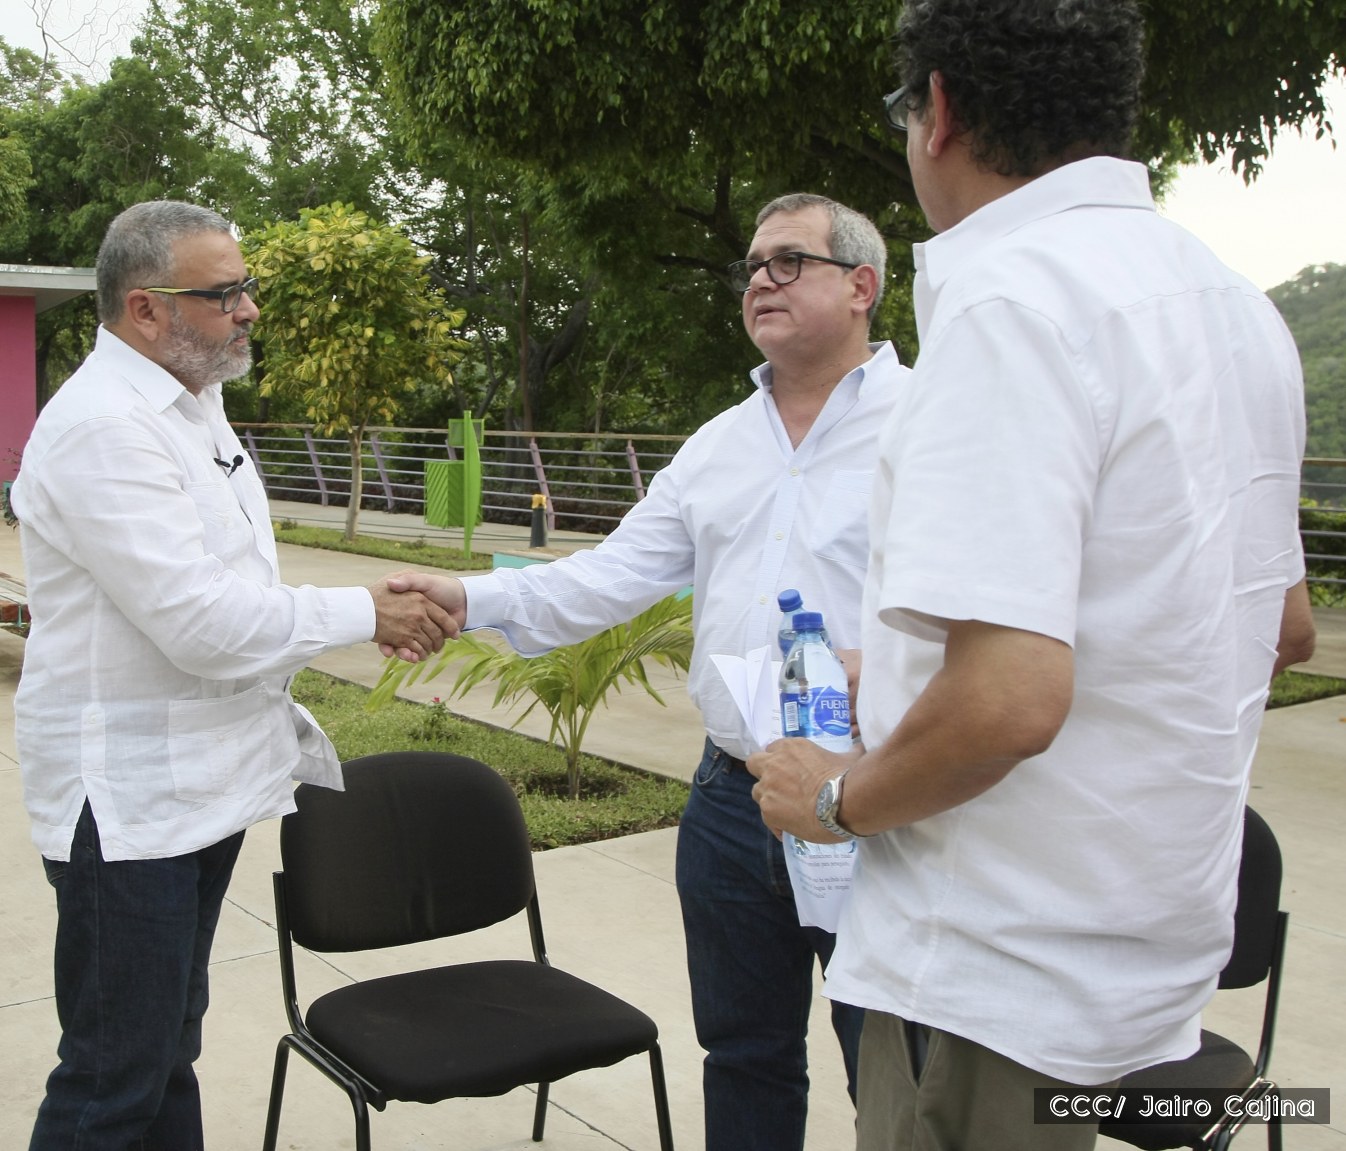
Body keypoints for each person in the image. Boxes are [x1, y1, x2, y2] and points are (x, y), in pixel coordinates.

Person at [747, 4, 1315, 1150]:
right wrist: (905, 681)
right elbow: (1278, 625)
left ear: (937, 110)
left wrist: (832, 798)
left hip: (989, 974)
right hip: (1145, 955)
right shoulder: (1233, 306)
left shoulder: (1007, 304)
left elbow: (1007, 700)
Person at [386, 193, 908, 1151]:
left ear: (861, 285)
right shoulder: (721, 443)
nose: (760, 280)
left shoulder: (930, 427)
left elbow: (993, 618)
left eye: (788, 261)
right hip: (731, 798)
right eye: (752, 265)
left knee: (891, 1065)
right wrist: (468, 596)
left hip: (874, 794)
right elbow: (610, 576)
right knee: (743, 1052)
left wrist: (901, 669)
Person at [10, 200, 454, 1151]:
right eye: (224, 293)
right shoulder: (103, 426)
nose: (249, 308)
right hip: (127, 810)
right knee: (112, 1077)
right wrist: (364, 611)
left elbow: (237, 587)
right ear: (145, 309)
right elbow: (201, 623)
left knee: (167, 1049)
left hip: (196, 791)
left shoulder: (193, 404)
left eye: (246, 286)